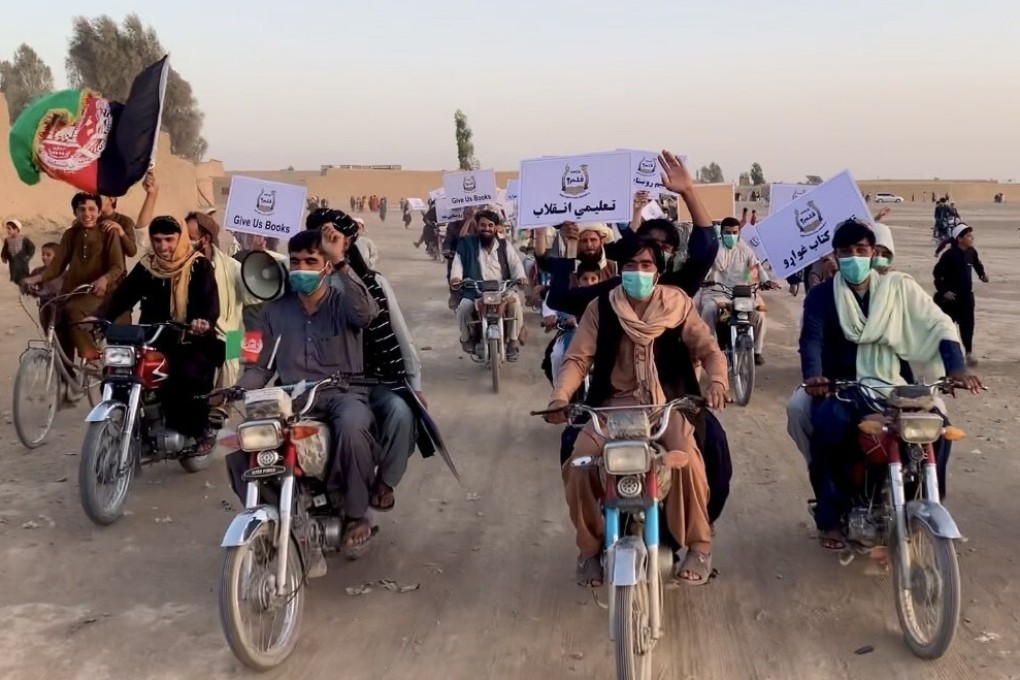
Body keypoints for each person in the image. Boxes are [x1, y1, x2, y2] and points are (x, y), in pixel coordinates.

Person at [543, 151, 732, 524]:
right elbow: (562, 301)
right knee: (573, 451)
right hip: (613, 406)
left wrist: (688, 192)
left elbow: (707, 248)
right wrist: (566, 246)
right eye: (638, 257)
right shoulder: (608, 298)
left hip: (674, 402)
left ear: (667, 258)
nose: (646, 264)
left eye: (659, 251)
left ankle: (696, 534)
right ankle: (593, 538)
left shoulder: (679, 290)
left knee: (713, 455)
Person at [545, 239, 728, 586]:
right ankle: (588, 550)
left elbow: (709, 350)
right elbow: (577, 359)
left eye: (646, 265)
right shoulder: (601, 308)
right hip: (612, 408)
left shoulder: (678, 305)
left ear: (658, 271)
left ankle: (699, 545)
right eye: (630, 265)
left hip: (664, 406)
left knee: (687, 460)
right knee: (580, 463)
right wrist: (561, 396)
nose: (638, 272)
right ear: (619, 270)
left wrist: (718, 382)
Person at [797, 218, 980, 550]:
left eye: (861, 249)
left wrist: (955, 368)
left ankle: (922, 503)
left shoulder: (899, 287)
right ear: (835, 257)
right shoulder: (822, 296)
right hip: (843, 385)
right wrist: (813, 375)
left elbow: (938, 324)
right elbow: (811, 338)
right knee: (828, 427)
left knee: (937, 429)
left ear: (873, 252)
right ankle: (832, 514)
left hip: (895, 385)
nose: (854, 256)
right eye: (846, 251)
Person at [235, 227, 380, 560]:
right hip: (293, 400)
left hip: (344, 394)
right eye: (296, 262)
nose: (301, 269)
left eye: (310, 261)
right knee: (242, 443)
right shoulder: (272, 310)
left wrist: (341, 259)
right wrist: (236, 390)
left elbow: (367, 314)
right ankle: (269, 521)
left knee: (353, 430)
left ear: (325, 265)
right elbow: (258, 366)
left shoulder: (344, 300)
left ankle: (356, 516)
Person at [307, 209, 425, 513]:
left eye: (332, 236)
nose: (324, 242)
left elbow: (400, 335)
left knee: (402, 413)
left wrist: (414, 384)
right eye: (318, 235)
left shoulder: (373, 284)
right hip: (321, 384)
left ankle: (384, 482)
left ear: (346, 244)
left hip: (375, 379)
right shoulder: (299, 284)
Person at [93, 214, 223, 453]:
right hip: (153, 336)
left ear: (180, 238)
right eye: (158, 240)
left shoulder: (198, 264)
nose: (163, 246)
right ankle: (132, 426)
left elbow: (210, 303)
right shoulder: (147, 266)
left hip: (190, 338)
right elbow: (124, 295)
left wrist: (202, 321)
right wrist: (100, 316)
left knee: (185, 375)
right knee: (117, 373)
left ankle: (199, 428)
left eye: (169, 240)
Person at [21, 193, 125, 361]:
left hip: (101, 292)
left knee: (73, 310)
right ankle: (67, 379)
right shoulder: (70, 235)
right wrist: (33, 279)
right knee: (59, 322)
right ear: (75, 212)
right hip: (74, 290)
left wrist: (105, 279)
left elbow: (117, 266)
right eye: (81, 209)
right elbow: (56, 267)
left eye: (92, 209)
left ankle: (90, 354)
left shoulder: (109, 233)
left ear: (99, 212)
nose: (87, 213)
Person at [449, 209, 528, 360]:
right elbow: (457, 263)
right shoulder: (467, 243)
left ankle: (512, 342)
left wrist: (521, 277)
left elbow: (515, 264)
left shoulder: (505, 245)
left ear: (496, 227)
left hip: (502, 289)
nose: (486, 228)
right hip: (475, 290)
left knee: (516, 304)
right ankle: (466, 338)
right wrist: (456, 278)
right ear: (477, 226)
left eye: (490, 225)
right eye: (483, 225)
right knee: (464, 307)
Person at [700, 217, 777, 365]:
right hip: (716, 293)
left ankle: (757, 351)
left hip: (741, 293)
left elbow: (756, 267)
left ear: (739, 232)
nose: (731, 236)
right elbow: (709, 267)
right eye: (727, 233)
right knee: (708, 311)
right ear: (721, 233)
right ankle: (711, 350)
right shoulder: (714, 248)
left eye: (735, 232)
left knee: (759, 314)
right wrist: (704, 278)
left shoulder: (746, 250)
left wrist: (766, 281)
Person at [934, 223, 987, 366]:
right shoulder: (949, 255)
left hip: (967, 297)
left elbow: (977, 264)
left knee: (968, 325)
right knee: (948, 328)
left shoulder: (971, 252)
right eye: (968, 236)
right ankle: (947, 356)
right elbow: (937, 274)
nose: (972, 238)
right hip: (952, 299)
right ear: (960, 239)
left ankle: (969, 353)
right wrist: (944, 291)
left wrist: (982, 274)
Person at [28, 242, 62, 331]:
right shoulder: (38, 271)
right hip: (45, 306)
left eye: (48, 255)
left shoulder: (64, 273)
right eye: (43, 254)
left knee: (61, 331)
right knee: (46, 329)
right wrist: (30, 289)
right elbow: (30, 285)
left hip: (60, 307)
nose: (44, 257)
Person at [3, 219, 35, 284]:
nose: (7, 231)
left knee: (24, 277)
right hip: (13, 262)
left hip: (22, 262)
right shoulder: (7, 240)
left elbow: (31, 248)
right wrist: (4, 257)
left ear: (16, 229)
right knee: (14, 277)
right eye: (7, 228)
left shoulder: (24, 239)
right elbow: (5, 249)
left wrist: (28, 256)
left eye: (9, 228)